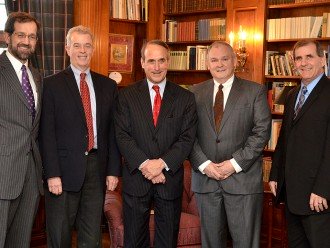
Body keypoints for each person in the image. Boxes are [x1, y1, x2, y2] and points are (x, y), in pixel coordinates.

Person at [39, 25, 121, 247]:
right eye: (76, 45)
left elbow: (113, 132)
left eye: (87, 45)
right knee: (60, 233)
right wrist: (52, 174)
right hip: (62, 173)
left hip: (97, 167)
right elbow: (46, 133)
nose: (82, 50)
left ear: (93, 49)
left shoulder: (108, 86)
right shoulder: (50, 84)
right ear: (67, 48)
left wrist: (113, 170)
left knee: (92, 234)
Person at [114, 40, 197, 247]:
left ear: (168, 62)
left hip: (168, 180)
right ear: (142, 63)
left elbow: (187, 138)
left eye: (161, 61)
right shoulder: (125, 96)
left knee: (167, 241)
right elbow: (122, 135)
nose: (157, 67)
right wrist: (146, 164)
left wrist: (160, 164)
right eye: (151, 61)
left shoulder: (185, 98)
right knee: (133, 242)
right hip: (136, 180)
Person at [189, 41, 271, 248]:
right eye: (214, 60)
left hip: (242, 180)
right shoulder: (193, 92)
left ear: (234, 61)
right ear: (207, 64)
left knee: (245, 243)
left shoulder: (255, 91)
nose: (220, 64)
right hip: (205, 180)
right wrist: (204, 164)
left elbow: (261, 133)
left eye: (225, 58)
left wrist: (233, 164)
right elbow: (186, 134)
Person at [269, 39, 330, 247]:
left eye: (309, 56)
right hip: (291, 193)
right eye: (298, 58)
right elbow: (284, 139)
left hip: (318, 196)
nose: (303, 63)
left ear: (322, 60)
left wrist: (323, 188)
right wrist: (275, 173)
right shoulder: (293, 94)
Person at [0, 12, 43, 247]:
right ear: (8, 37)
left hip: (31, 176)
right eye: (21, 35)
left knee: (21, 241)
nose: (27, 41)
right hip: (2, 173)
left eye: (32, 36)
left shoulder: (36, 75)